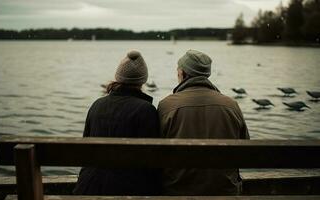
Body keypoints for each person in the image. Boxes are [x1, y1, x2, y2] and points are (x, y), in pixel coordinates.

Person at [157, 49, 249, 195]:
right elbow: (245, 151)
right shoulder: (231, 105)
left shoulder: (166, 106)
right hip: (224, 191)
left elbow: (157, 154)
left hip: (178, 191)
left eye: (178, 70)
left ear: (183, 73)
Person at [73, 50, 160, 195]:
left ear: (118, 77)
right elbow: (151, 159)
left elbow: (85, 149)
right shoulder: (146, 110)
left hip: (87, 187)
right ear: (143, 80)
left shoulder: (97, 105)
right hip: (127, 189)